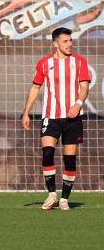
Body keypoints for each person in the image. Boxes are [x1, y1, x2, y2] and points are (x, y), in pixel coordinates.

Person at [21, 27, 89, 211]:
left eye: (70, 40)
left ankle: (65, 198)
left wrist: (78, 103)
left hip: (73, 118)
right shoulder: (44, 63)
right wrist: (26, 112)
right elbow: (35, 87)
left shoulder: (79, 62)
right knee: (48, 153)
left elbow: (84, 87)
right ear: (55, 43)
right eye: (65, 41)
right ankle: (51, 194)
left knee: (69, 159)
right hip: (50, 116)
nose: (70, 44)